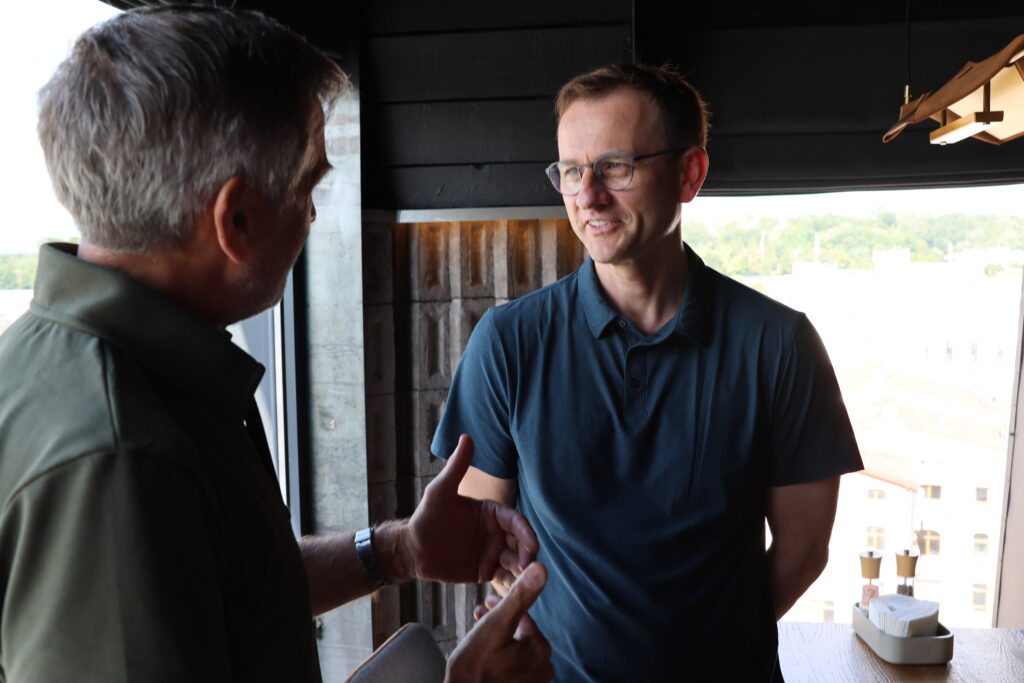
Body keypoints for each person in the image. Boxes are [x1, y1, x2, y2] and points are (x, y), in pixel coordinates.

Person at [0, 7, 552, 682]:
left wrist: (400, 549)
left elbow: (225, 593)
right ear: (236, 219)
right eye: (307, 186)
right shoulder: (123, 457)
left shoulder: (106, 367)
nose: (314, 214)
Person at [432, 63, 863, 681]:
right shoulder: (507, 343)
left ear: (689, 174)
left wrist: (703, 651)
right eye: (572, 171)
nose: (587, 195)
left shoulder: (780, 344)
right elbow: (486, 540)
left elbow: (802, 552)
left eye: (615, 167)